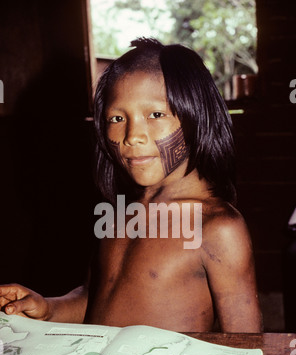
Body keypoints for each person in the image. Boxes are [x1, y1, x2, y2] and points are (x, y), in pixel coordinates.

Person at [0, 38, 262, 333]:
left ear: (196, 116)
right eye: (117, 118)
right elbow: (93, 298)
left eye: (156, 114)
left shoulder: (217, 227)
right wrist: (48, 309)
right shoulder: (118, 213)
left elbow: (246, 344)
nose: (132, 135)